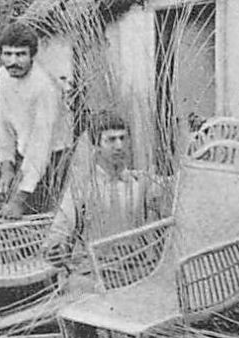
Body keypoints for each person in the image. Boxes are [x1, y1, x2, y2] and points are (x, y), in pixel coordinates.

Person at [43, 112, 169, 267]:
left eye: (123, 138)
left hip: (136, 270)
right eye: (111, 140)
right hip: (92, 271)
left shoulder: (141, 183)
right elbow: (61, 228)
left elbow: (175, 192)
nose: (119, 146)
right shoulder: (82, 187)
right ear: (96, 146)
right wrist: (57, 248)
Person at [0, 20, 74, 220]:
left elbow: (40, 146)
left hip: (54, 159)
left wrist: (20, 199)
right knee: (2, 210)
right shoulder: (3, 76)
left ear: (32, 56)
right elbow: (3, 121)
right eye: (8, 54)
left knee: (39, 218)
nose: (13, 61)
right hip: (24, 154)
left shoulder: (44, 87)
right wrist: (6, 164)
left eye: (20, 54)